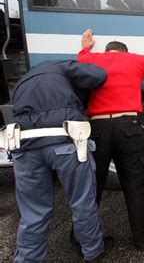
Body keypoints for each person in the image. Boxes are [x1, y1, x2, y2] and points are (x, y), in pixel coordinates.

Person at [76, 28, 144, 250]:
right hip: (128, 128)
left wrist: (85, 45)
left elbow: (80, 58)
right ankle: (143, 238)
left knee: (93, 185)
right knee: (134, 184)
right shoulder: (135, 61)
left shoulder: (93, 59)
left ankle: (83, 239)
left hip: (98, 127)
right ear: (125, 51)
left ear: (107, 50)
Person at [3, 59, 110, 262]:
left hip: (25, 145)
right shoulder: (62, 66)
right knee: (82, 202)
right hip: (66, 140)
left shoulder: (22, 81)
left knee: (32, 214)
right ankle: (93, 252)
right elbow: (99, 75)